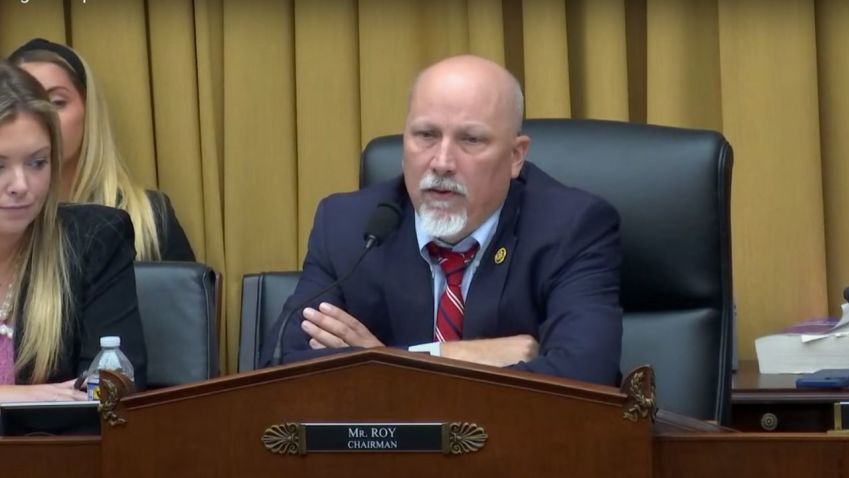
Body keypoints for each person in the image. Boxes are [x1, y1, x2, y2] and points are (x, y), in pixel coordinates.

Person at [267, 55, 623, 386]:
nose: (441, 162)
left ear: (516, 156)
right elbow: (281, 367)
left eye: (470, 139)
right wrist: (440, 359)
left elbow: (587, 375)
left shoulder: (571, 227)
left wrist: (379, 365)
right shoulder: (349, 226)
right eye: (426, 135)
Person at [0, 60, 147, 401]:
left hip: (53, 451)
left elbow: (109, 394)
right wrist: (17, 396)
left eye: (37, 162)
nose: (21, 185)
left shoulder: (93, 241)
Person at [9, 38, 195, 262]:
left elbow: (187, 295)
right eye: (28, 105)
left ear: (89, 111)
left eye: (57, 102)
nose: (44, 119)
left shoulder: (149, 219)